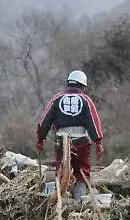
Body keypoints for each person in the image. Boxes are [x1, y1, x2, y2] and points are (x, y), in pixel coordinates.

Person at [35, 70, 104, 199]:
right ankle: (79, 204)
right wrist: (98, 142)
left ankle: (58, 204)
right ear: (82, 86)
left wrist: (40, 139)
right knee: (82, 175)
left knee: (61, 173)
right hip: (82, 142)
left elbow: (44, 121)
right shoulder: (86, 100)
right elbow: (93, 122)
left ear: (68, 84)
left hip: (61, 141)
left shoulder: (57, 98)